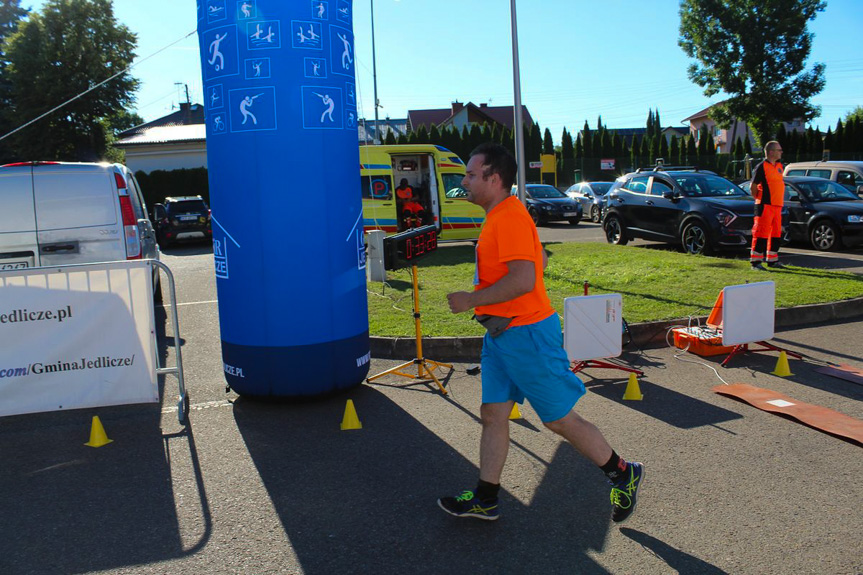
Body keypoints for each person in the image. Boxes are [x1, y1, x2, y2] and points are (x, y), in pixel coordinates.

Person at [438, 143, 644, 523]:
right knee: (493, 413)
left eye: (470, 174)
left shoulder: (509, 218)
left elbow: (523, 279)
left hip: (527, 334)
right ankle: (486, 497)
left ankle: (622, 471)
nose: (463, 181)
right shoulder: (501, 215)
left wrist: (470, 299)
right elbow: (538, 262)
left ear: (493, 178)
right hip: (500, 335)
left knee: (558, 419)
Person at [750, 141, 786, 270]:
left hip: (777, 205)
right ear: (771, 152)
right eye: (779, 150)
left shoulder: (779, 166)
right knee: (761, 233)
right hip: (765, 205)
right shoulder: (761, 167)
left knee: (776, 233)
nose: (781, 152)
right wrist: (758, 199)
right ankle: (756, 262)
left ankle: (772, 260)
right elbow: (753, 186)